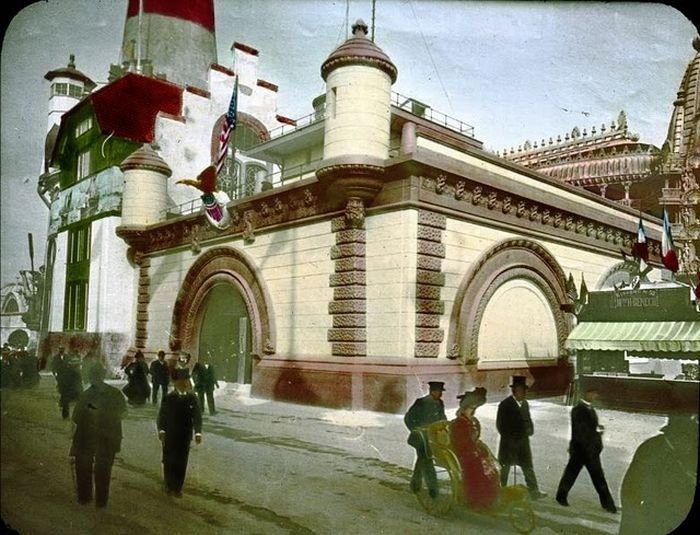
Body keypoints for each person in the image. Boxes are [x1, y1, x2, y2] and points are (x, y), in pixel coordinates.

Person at [619, 412, 698, 535]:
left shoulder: (688, 453)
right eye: (688, 437)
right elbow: (631, 491)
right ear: (674, 435)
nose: (691, 444)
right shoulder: (651, 450)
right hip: (652, 518)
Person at [70, 362, 127, 508]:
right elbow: (124, 413)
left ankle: (85, 497)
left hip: (87, 437)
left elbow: (76, 418)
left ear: (91, 377)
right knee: (104, 470)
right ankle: (101, 502)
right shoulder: (115, 394)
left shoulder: (86, 395)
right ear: (103, 376)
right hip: (108, 438)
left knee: (83, 467)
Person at [555, 386, 617, 512]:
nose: (595, 396)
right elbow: (581, 431)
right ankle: (561, 497)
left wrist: (597, 430)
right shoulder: (578, 410)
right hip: (581, 450)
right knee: (574, 475)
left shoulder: (590, 409)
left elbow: (588, 428)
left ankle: (608, 504)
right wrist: (596, 434)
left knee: (595, 477)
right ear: (586, 394)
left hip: (589, 450)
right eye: (593, 393)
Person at [496, 375, 547, 499]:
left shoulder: (525, 404)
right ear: (514, 391)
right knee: (505, 468)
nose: (522, 393)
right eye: (519, 390)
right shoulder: (505, 405)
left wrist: (530, 429)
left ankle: (534, 491)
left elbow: (528, 420)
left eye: (523, 391)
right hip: (509, 444)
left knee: (527, 466)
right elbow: (500, 425)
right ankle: (500, 491)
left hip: (523, 443)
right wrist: (511, 439)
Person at [450, 387, 500, 511]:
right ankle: (475, 500)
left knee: (491, 468)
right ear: (463, 410)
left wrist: (479, 447)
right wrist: (473, 450)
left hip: (472, 452)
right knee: (478, 470)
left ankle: (488, 499)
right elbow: (460, 442)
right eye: (470, 409)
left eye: (473, 409)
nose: (472, 412)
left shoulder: (470, 422)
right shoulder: (458, 423)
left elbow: (475, 438)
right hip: (464, 454)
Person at [157, 367, 202, 497]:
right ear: (176, 383)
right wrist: (161, 430)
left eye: (185, 381)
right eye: (181, 382)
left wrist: (198, 432)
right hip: (170, 435)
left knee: (182, 461)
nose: (183, 384)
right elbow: (162, 416)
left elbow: (197, 416)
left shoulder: (192, 398)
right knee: (169, 460)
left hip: (184, 436)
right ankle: (168, 485)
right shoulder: (169, 398)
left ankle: (177, 487)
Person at [404, 381, 447, 498]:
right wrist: (415, 429)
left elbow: (442, 418)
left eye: (441, 392)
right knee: (427, 461)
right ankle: (433, 489)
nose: (440, 394)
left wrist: (444, 426)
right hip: (421, 438)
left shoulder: (440, 403)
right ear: (432, 391)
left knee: (422, 459)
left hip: (433, 437)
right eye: (438, 392)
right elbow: (408, 418)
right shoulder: (421, 403)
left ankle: (415, 484)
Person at [56, 350, 83, 419]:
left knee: (67, 402)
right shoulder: (76, 372)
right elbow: (79, 381)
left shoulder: (68, 370)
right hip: (71, 389)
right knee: (76, 402)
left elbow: (62, 379)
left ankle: (67, 415)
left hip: (68, 389)